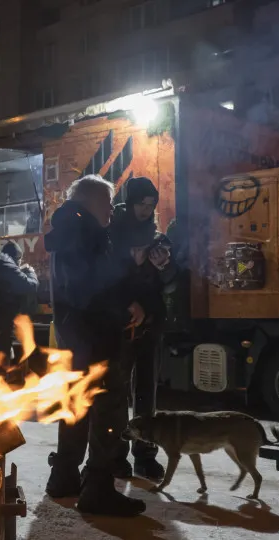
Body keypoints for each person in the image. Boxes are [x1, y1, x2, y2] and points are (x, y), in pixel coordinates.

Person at [44, 174, 147, 517]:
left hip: (76, 338)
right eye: (107, 203)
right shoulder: (83, 231)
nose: (111, 211)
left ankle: (64, 476)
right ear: (88, 201)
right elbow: (89, 287)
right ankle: (98, 488)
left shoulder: (70, 229)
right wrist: (125, 306)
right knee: (108, 409)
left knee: (76, 407)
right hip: (95, 338)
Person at [107, 176, 175, 481]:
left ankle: (145, 456)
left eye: (151, 205)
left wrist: (165, 266)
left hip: (151, 324)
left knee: (147, 393)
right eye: (142, 204)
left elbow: (170, 283)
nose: (147, 210)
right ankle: (115, 455)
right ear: (130, 201)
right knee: (118, 393)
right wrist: (133, 264)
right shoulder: (113, 232)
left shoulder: (156, 236)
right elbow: (105, 278)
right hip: (122, 323)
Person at [0, 240, 39, 360]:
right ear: (17, 258)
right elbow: (28, 286)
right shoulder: (5, 265)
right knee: (0, 359)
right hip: (0, 322)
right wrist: (31, 272)